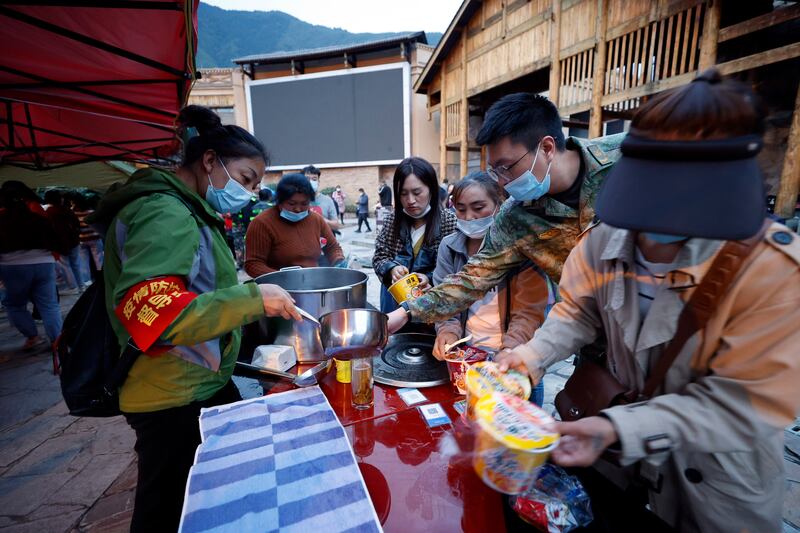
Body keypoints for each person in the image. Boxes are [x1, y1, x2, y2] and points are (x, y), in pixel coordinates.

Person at [497, 69, 800, 532]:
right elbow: (578, 310)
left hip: (714, 486)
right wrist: (532, 356)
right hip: (616, 467)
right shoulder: (605, 239)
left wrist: (620, 428)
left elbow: (746, 400)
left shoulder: (772, 267)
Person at [92, 105, 301, 532]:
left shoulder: (188, 209)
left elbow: (196, 290)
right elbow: (158, 315)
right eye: (245, 179)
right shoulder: (163, 212)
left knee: (212, 490)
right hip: (172, 393)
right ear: (209, 161)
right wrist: (253, 300)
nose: (248, 192)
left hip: (197, 378)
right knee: (168, 507)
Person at [385, 92, 624, 334]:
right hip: (597, 336)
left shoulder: (630, 157)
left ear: (547, 148)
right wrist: (405, 312)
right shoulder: (515, 218)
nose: (501, 182)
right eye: (494, 170)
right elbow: (472, 279)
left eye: (506, 167)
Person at [432, 172, 551, 406]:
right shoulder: (450, 247)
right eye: (461, 209)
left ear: (499, 204)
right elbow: (445, 300)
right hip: (469, 356)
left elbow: (528, 312)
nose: (470, 217)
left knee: (518, 428)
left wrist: (509, 351)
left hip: (513, 358)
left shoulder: (520, 246)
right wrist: (448, 331)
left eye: (478, 207)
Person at [373, 156, 457, 314]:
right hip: (394, 304)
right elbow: (379, 256)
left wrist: (430, 278)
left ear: (431, 189)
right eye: (403, 194)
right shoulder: (392, 220)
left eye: (417, 192)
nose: (410, 200)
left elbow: (455, 268)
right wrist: (391, 269)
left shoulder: (449, 221)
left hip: (430, 305)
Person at [0, 181, 64, 352]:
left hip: (12, 265)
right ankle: (57, 340)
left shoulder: (2, 220)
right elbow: (55, 240)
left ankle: (32, 336)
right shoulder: (38, 217)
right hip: (44, 263)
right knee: (49, 304)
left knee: (14, 304)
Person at [244, 173, 345, 277]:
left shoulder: (316, 220)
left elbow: (332, 247)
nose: (298, 209)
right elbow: (253, 264)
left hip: (313, 283)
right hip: (277, 288)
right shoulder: (262, 223)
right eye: (292, 204)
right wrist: (284, 278)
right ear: (279, 200)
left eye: (304, 204)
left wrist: (338, 261)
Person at [302, 165, 340, 231]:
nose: (310, 182)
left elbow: (336, 225)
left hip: (323, 240)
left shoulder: (327, 200)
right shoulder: (296, 201)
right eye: (307, 179)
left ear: (318, 182)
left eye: (314, 179)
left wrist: (321, 220)